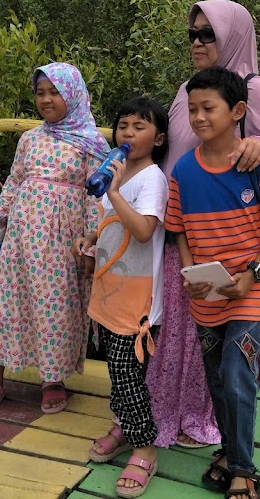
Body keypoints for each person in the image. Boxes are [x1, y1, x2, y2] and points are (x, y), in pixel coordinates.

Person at [146, 0, 260, 451]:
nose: (197, 42)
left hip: (228, 239)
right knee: (179, 327)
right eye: (192, 33)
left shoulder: (253, 88)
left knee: (214, 338)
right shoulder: (187, 90)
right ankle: (168, 408)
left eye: (207, 34)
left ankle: (207, 423)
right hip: (181, 228)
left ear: (233, 36)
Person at [166, 66, 260, 499]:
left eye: (208, 108)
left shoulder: (253, 165)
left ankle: (243, 470)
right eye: (192, 109)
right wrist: (189, 275)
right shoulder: (183, 169)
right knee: (218, 378)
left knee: (238, 375)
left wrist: (252, 275)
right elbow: (178, 229)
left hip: (251, 289)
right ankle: (230, 451)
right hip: (207, 293)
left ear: (237, 111)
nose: (198, 117)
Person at [0, 62, 110, 419]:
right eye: (40, 92)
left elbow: (96, 199)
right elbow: (13, 184)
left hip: (63, 242)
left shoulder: (92, 144)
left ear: (73, 95)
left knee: (56, 306)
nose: (46, 100)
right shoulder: (29, 139)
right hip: (21, 238)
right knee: (7, 301)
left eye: (54, 92)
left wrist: (91, 243)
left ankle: (52, 378)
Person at [77, 97, 169, 498]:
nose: (128, 133)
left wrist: (113, 191)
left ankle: (145, 447)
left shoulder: (152, 178)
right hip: (110, 287)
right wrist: (90, 237)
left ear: (158, 138)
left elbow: (144, 231)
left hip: (138, 297)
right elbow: (111, 221)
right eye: (123, 126)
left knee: (127, 372)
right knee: (117, 370)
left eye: (139, 127)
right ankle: (125, 426)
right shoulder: (118, 171)